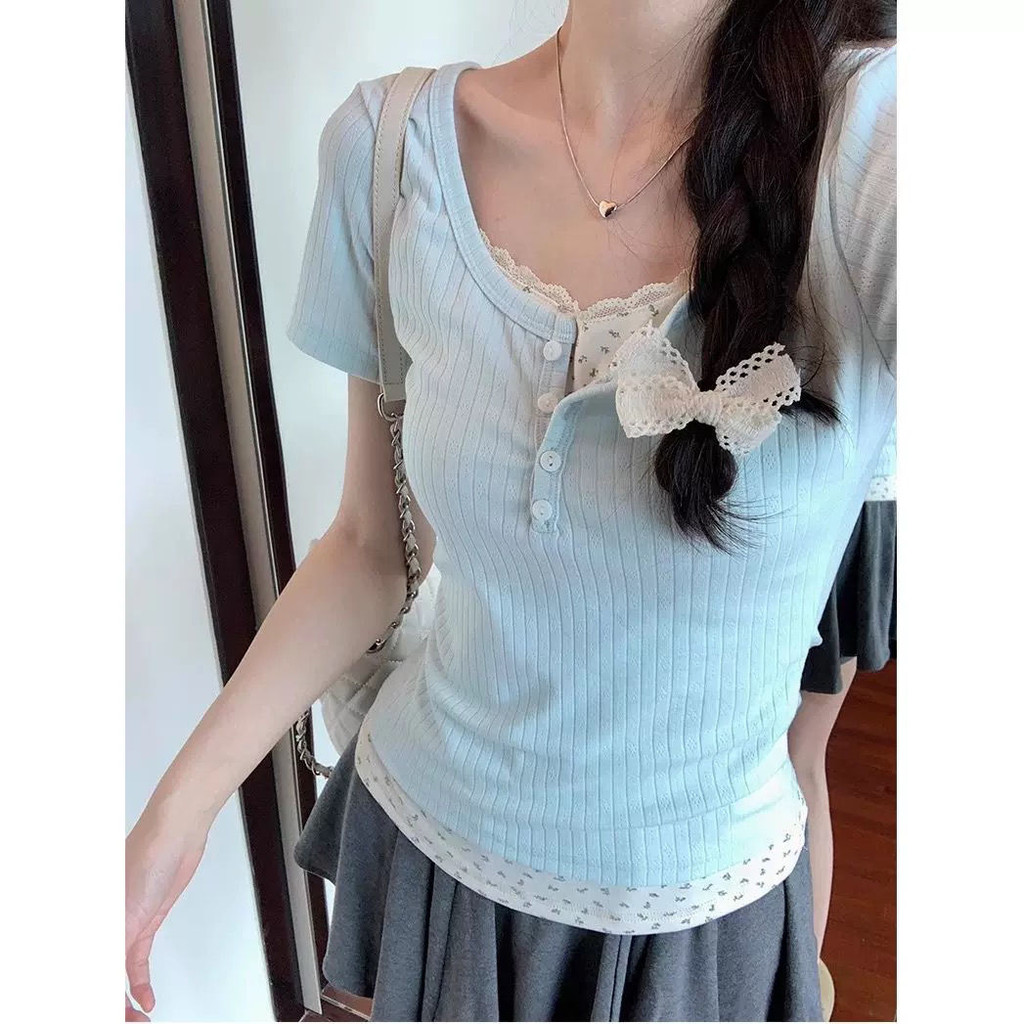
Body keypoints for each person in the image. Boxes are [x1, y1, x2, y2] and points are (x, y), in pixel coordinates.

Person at [126, 1, 896, 1020]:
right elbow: (370, 548)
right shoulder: (387, 149)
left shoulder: (874, 142)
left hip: (696, 925)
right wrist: (174, 813)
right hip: (433, 868)